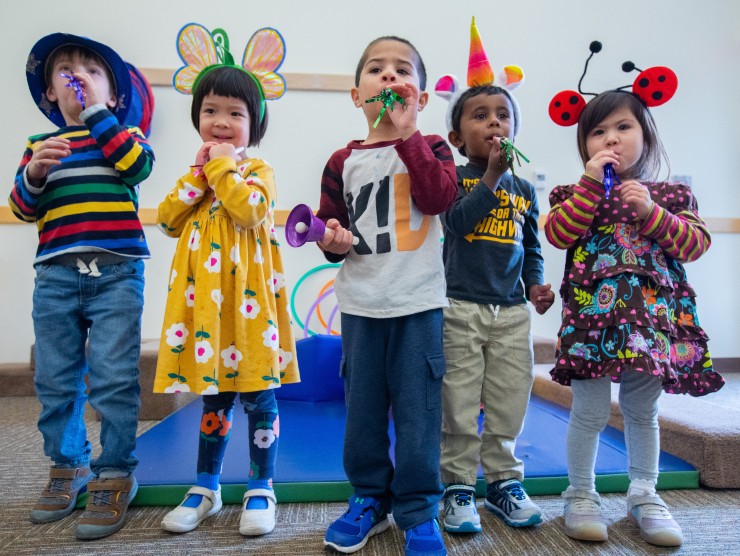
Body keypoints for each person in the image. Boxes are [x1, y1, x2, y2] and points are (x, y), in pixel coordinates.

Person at [545, 88, 725, 546]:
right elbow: (559, 233)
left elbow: (694, 246)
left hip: (650, 326)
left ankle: (645, 494)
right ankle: (580, 494)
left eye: (623, 127)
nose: (611, 139)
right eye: (598, 132)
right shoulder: (573, 193)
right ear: (584, 144)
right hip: (592, 325)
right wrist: (588, 185)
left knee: (643, 411)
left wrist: (649, 209)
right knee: (587, 412)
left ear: (646, 135)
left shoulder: (672, 194)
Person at [153, 24, 299, 537]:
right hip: (207, 311)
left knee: (260, 396)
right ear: (198, 118)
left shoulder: (256, 170)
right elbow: (168, 220)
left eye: (235, 114)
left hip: (251, 308)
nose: (221, 122)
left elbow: (250, 211)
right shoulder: (197, 177)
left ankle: (262, 485)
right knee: (213, 399)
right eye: (211, 111)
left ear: (252, 125)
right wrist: (198, 175)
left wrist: (222, 171)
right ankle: (206, 486)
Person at [9, 33, 154, 539]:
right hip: (55, 276)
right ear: (50, 93)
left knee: (114, 377)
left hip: (116, 272)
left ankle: (115, 472)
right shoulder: (39, 146)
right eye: (65, 71)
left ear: (113, 94)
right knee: (54, 379)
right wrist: (32, 174)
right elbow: (22, 208)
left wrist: (99, 117)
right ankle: (67, 466)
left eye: (92, 71)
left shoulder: (125, 137)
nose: (78, 77)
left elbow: (138, 168)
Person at [316, 35, 457, 556]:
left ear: (420, 97)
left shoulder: (433, 147)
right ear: (358, 95)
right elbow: (333, 234)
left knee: (420, 412)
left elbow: (439, 196)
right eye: (378, 70)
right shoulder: (342, 160)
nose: (391, 78)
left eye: (404, 72)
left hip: (418, 303)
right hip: (360, 305)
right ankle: (369, 498)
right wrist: (331, 239)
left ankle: (418, 508)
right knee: (364, 410)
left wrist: (409, 136)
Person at [434, 17, 554, 536]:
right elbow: (458, 224)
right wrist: (490, 177)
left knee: (510, 396)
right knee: (459, 402)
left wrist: (536, 284)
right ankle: (458, 486)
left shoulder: (525, 189)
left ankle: (503, 480)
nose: (494, 123)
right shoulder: (454, 178)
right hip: (460, 306)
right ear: (457, 136)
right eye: (480, 116)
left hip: (510, 311)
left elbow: (532, 245)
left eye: (503, 115)